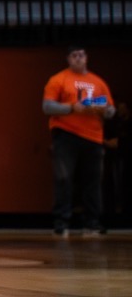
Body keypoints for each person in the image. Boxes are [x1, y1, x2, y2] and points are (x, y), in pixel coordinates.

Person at [43, 47, 115, 237]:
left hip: (93, 136)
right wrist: (71, 108)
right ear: (68, 59)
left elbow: (111, 110)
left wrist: (103, 110)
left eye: (81, 55)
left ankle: (92, 222)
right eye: (74, 56)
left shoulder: (98, 82)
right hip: (66, 134)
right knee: (64, 178)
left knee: (93, 180)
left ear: (86, 58)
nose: (78, 59)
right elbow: (47, 106)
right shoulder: (58, 80)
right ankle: (62, 222)